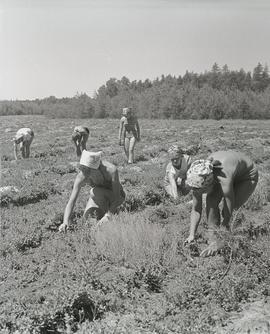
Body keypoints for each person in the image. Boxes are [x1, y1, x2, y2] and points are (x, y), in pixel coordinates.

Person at [184, 150, 259, 257]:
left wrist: (220, 239)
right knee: (211, 201)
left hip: (246, 177)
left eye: (201, 191)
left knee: (228, 211)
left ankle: (235, 241)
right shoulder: (198, 176)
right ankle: (212, 237)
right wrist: (191, 235)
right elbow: (196, 209)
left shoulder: (224, 179)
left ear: (209, 183)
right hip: (229, 172)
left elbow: (228, 214)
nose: (197, 193)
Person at [59, 150, 125, 232]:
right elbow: (71, 201)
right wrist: (65, 222)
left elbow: (117, 197)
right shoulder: (82, 176)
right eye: (84, 169)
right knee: (88, 220)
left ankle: (112, 213)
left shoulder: (111, 170)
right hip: (99, 197)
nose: (86, 174)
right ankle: (100, 223)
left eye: (89, 170)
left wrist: (108, 215)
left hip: (117, 197)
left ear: (98, 167)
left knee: (95, 192)